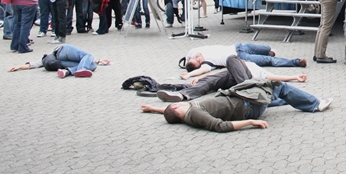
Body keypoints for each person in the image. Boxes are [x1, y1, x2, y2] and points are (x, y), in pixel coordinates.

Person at [141, 58, 332, 133]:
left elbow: (171, 112)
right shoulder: (195, 114)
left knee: (272, 93)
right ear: (176, 107)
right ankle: (315, 104)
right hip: (249, 107)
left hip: (244, 101)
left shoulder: (187, 114)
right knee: (279, 86)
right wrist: (251, 123)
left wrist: (153, 109)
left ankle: (288, 100)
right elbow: (220, 126)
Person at [160, 55, 309, 101]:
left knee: (231, 58)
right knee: (210, 80)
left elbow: (273, 77)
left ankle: (247, 90)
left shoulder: (256, 69)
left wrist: (294, 77)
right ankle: (183, 95)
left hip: (248, 80)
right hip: (231, 78)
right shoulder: (237, 66)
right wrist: (199, 79)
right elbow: (213, 75)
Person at [180, 44, 307, 79]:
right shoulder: (208, 63)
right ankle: (296, 62)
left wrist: (189, 60)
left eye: (194, 57)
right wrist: (189, 74)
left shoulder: (193, 52)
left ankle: (267, 51)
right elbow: (202, 71)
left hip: (238, 46)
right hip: (241, 57)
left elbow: (188, 58)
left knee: (266, 48)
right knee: (270, 61)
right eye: (198, 60)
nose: (197, 57)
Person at [8, 44, 110, 78]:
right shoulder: (51, 54)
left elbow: (34, 64)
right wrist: (99, 60)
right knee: (88, 55)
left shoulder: (46, 60)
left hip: (60, 63)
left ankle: (67, 71)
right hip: (63, 50)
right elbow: (84, 58)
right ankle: (81, 69)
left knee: (92, 66)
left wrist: (19, 67)